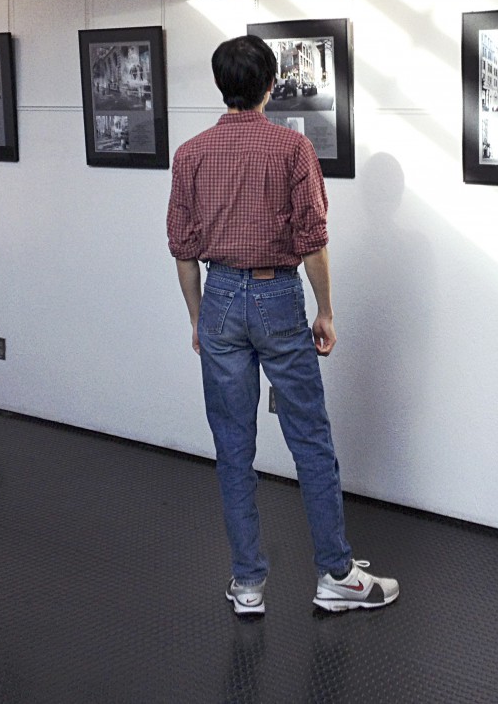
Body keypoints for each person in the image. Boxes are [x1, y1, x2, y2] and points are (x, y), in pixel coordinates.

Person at [166, 34, 398, 616]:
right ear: (272, 85)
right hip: (275, 296)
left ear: (222, 87)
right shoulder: (292, 152)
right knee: (310, 441)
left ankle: (247, 584)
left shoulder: (190, 154)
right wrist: (324, 310)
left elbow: (183, 250)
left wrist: (199, 319)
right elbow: (313, 242)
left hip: (218, 296)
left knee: (232, 446)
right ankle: (336, 574)